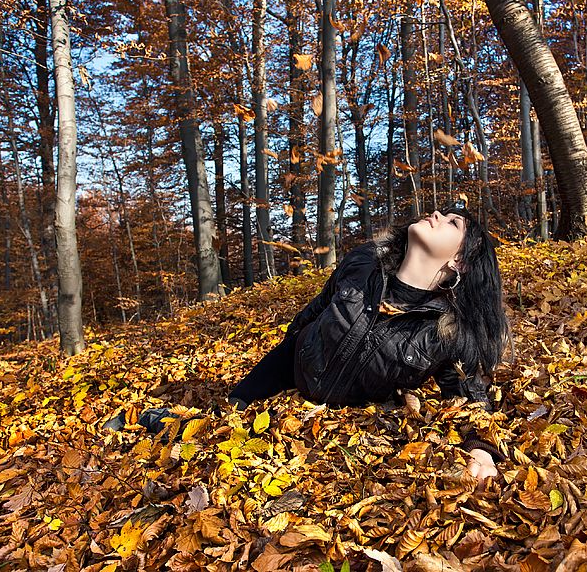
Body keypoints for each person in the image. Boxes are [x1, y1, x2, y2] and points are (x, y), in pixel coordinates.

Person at [105, 203, 514, 485]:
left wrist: (480, 451)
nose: (438, 214)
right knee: (218, 427)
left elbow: (468, 396)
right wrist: (288, 354)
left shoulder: (448, 329)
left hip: (344, 414)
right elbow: (314, 311)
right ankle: (153, 419)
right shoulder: (362, 263)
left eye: (453, 224)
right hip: (291, 367)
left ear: (459, 262)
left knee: (257, 456)